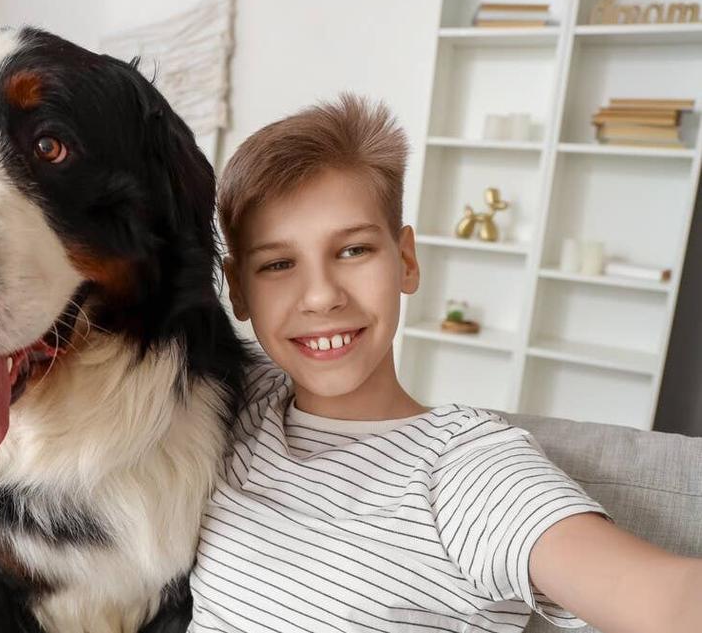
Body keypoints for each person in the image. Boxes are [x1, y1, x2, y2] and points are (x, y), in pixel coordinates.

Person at [187, 93, 702, 633]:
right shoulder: (234, 409)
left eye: (353, 250)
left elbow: (663, 597)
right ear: (239, 290)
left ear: (405, 261)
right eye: (279, 264)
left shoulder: (463, 468)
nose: (320, 297)